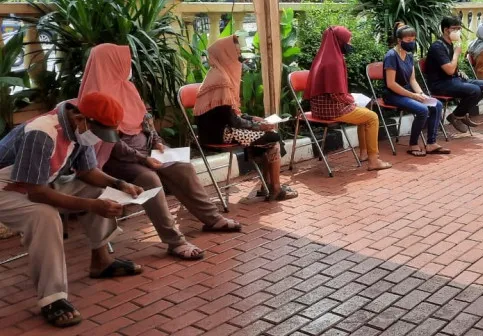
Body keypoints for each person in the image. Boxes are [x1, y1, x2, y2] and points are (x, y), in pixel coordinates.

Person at [78, 44, 242, 262]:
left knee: (183, 167)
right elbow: (111, 143)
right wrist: (142, 158)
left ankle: (212, 218)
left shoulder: (127, 88)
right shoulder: (94, 97)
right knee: (149, 179)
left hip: (147, 151)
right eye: (123, 62)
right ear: (110, 63)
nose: (129, 68)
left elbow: (146, 120)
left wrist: (156, 141)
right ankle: (175, 241)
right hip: (116, 160)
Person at [0, 92, 143, 328]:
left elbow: (87, 172)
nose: (97, 139)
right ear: (80, 119)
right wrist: (91, 206)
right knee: (44, 216)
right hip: (7, 186)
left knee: (98, 191)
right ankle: (52, 299)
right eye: (97, 133)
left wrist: (119, 184)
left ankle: (102, 262)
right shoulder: (42, 132)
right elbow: (36, 193)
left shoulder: (80, 130)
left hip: (39, 181)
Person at [194, 35, 298, 200]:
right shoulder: (222, 81)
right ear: (226, 55)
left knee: (268, 138)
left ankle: (267, 186)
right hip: (221, 133)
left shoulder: (217, 74)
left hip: (222, 129)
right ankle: (275, 188)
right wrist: (258, 126)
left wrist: (253, 118)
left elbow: (230, 113)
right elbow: (233, 121)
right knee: (272, 138)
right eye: (236, 53)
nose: (239, 57)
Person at [305, 26, 391, 171]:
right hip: (332, 109)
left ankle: (364, 153)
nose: (350, 44)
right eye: (348, 40)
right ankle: (374, 160)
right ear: (339, 41)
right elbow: (336, 94)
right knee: (372, 117)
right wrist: (352, 100)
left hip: (318, 109)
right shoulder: (334, 62)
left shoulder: (322, 57)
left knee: (364, 114)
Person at [383, 23, 450, 157]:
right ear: (399, 40)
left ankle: (431, 143)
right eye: (408, 40)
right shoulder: (391, 56)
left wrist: (421, 94)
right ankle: (413, 143)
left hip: (408, 92)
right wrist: (413, 96)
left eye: (413, 40)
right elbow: (391, 84)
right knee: (422, 110)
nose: (411, 43)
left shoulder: (408, 55)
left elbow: (412, 80)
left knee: (437, 105)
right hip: (393, 94)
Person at [424, 16, 483, 133]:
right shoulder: (437, 47)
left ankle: (460, 114)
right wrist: (456, 54)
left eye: (459, 29)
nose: (457, 32)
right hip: (440, 84)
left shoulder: (449, 44)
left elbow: (451, 69)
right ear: (445, 30)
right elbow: (448, 70)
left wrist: (458, 71)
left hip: (453, 79)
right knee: (474, 90)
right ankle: (458, 116)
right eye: (454, 29)